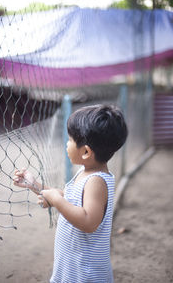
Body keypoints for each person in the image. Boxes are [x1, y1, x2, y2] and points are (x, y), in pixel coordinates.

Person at [13, 104, 128, 283]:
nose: (66, 144)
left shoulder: (96, 181)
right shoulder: (86, 172)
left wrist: (57, 201)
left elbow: (89, 222)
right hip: (72, 264)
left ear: (86, 152)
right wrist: (34, 184)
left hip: (86, 271)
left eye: (70, 140)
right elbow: (69, 198)